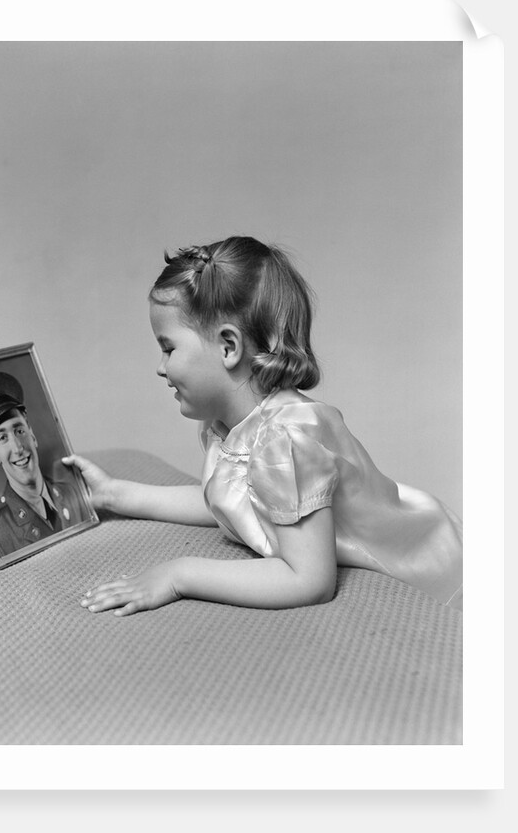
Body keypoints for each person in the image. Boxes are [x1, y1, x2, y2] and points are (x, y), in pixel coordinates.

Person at [64, 236, 463, 617]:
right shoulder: (226, 429)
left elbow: (308, 579)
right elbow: (231, 506)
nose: (160, 366)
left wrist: (177, 575)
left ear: (228, 347)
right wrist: (114, 495)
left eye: (168, 348)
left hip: (430, 567)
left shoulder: (285, 440)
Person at [0, 371, 89, 554]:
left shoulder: (71, 494)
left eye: (19, 431)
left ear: (32, 435)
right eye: (3, 438)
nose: (17, 448)